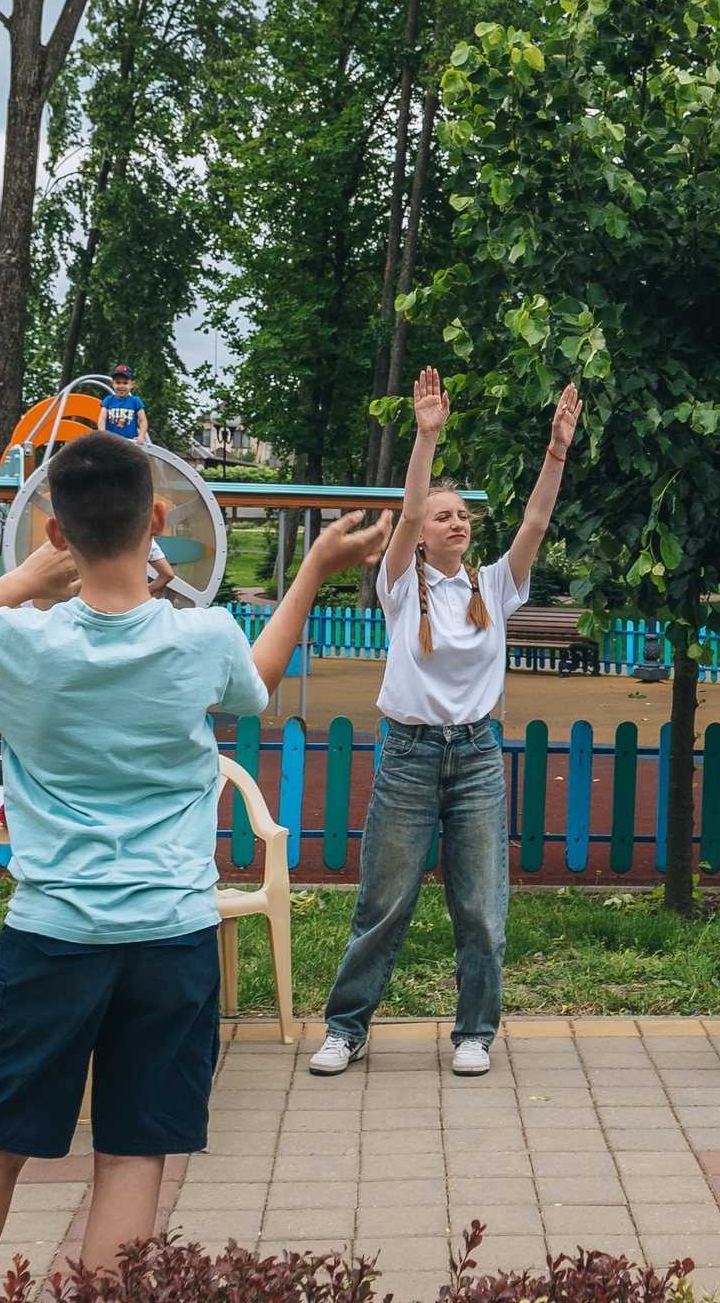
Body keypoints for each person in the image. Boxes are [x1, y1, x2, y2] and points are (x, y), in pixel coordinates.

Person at [0, 429, 390, 1301]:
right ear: (157, 518)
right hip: (171, 935)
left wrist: (22, 584)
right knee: (132, 1155)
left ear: (54, 530)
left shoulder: (12, 641)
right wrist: (310, 572)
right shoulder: (203, 639)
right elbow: (258, 683)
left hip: (52, 936)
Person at [308, 367, 582, 1079]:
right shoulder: (401, 586)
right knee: (384, 903)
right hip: (408, 756)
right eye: (444, 515)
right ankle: (346, 1028)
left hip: (478, 759)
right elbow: (403, 511)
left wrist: (556, 453)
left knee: (482, 909)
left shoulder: (495, 585)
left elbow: (537, 523)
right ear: (423, 535)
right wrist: (425, 437)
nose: (456, 521)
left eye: (463, 515)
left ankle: (475, 1033)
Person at [100, 364, 145, 440]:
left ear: (132, 384)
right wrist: (102, 434)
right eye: (118, 383)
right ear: (112, 383)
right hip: (111, 440)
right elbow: (102, 418)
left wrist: (141, 436)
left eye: (125, 383)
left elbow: (142, 420)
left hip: (130, 441)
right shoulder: (108, 400)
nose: (121, 386)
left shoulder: (135, 401)